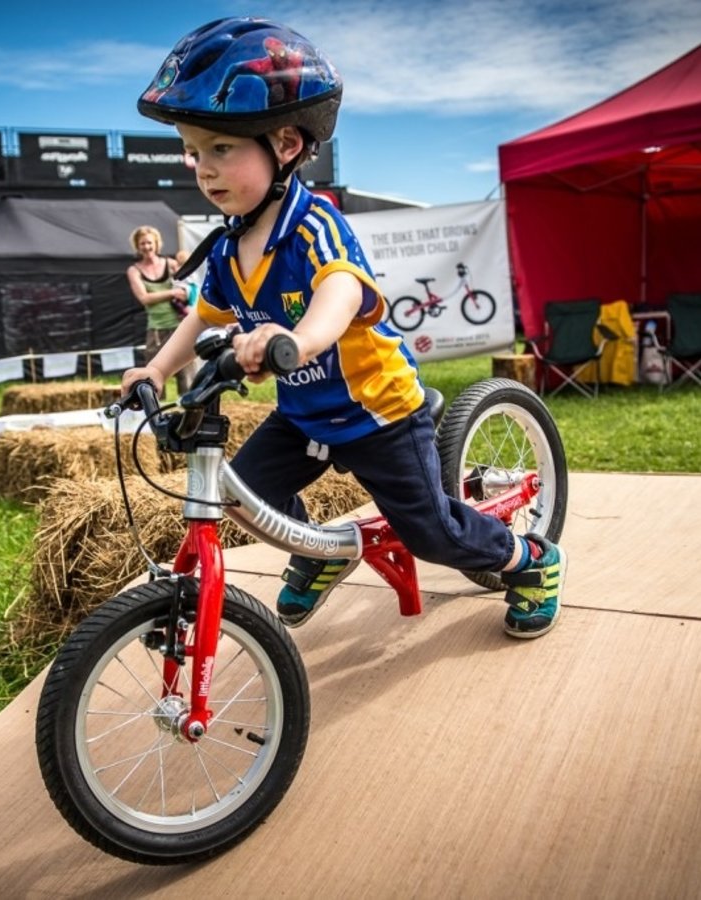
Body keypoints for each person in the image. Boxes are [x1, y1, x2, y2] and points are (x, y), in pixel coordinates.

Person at [122, 17, 565, 638]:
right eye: (194, 151)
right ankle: (322, 549)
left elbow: (340, 291)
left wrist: (298, 340)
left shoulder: (314, 225)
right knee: (243, 496)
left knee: (431, 533)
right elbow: (204, 312)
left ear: (285, 145)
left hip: (378, 414)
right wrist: (156, 368)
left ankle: (530, 561)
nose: (203, 167)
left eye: (221, 148)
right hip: (306, 413)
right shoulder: (226, 248)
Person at [126, 225, 193, 397]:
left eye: (149, 243)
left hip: (180, 326)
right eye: (142, 244)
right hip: (156, 329)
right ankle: (156, 413)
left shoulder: (171, 264)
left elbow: (188, 288)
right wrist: (172, 292)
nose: (147, 247)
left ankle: (187, 414)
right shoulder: (134, 270)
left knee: (186, 376)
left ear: (156, 243)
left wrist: (185, 293)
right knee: (152, 377)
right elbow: (144, 298)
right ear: (137, 246)